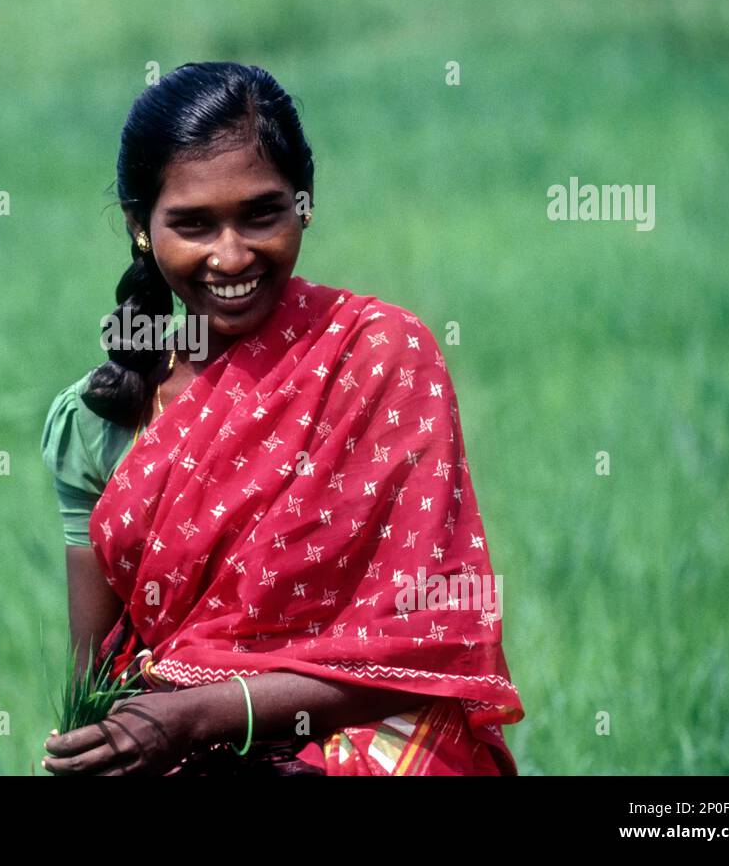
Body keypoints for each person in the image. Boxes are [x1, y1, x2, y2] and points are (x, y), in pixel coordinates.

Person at [41, 61, 523, 776]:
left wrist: (204, 713)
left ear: (304, 204)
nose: (231, 255)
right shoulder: (96, 419)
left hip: (364, 732)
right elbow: (100, 687)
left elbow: (423, 642)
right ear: (140, 228)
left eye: (261, 213)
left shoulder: (382, 357)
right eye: (193, 224)